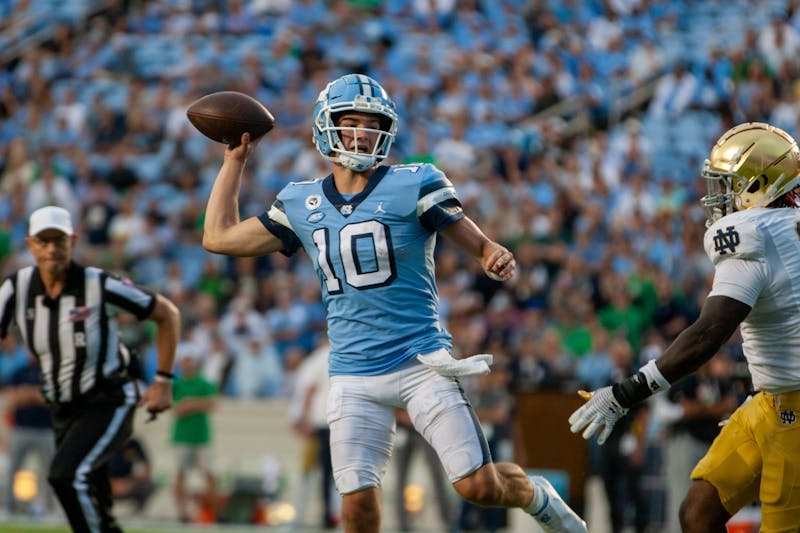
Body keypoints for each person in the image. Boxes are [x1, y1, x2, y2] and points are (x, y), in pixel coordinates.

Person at [202, 73, 586, 533]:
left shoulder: (414, 182)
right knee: (357, 510)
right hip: (352, 373)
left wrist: (488, 251)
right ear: (328, 126)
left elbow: (464, 230)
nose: (363, 132)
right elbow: (218, 237)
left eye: (372, 122)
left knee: (478, 488)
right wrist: (234, 162)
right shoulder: (300, 200)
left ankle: (535, 495)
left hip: (420, 362)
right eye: (352, 121)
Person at [569, 122, 800, 532]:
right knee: (697, 513)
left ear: (759, 183)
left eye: (729, 184)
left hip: (794, 409)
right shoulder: (785, 227)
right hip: (769, 400)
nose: (719, 197)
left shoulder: (756, 236)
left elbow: (707, 336)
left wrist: (627, 393)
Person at [0, 205, 180, 533]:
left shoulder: (98, 285)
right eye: (45, 240)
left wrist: (163, 379)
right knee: (93, 499)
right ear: (30, 245)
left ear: (73, 241)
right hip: (62, 408)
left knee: (65, 476)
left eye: (60, 240)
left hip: (107, 398)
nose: (52, 249)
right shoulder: (16, 289)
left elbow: (166, 313)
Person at [3, 352, 56, 518]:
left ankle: (50, 508)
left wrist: (27, 394)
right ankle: (7, 507)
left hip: (45, 429)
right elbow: (12, 398)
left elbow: (52, 399)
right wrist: (36, 394)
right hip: (22, 429)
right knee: (14, 469)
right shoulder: (21, 372)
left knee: (50, 472)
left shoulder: (50, 373)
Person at [171, 344, 219, 523]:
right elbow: (176, 409)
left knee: (209, 475)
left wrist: (190, 404)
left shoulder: (203, 382)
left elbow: (213, 403)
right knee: (180, 475)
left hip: (201, 436)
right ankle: (182, 513)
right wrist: (196, 404)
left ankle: (215, 512)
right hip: (182, 436)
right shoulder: (177, 383)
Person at [108, 436, 156, 512]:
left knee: (151, 484)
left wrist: (133, 480)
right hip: (109, 481)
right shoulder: (107, 444)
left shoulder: (134, 444)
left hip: (128, 480)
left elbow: (147, 466)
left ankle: (138, 511)